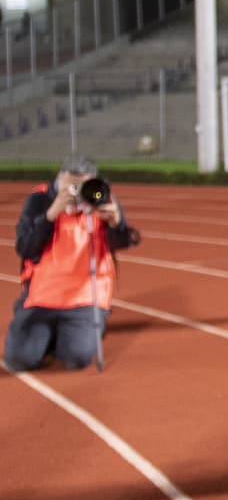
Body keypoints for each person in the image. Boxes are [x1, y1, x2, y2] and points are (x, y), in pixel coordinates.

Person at [4, 155, 134, 371]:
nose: (79, 191)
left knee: (77, 358)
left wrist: (116, 222)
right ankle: (39, 327)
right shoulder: (40, 199)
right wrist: (51, 213)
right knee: (19, 360)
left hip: (85, 295)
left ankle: (88, 326)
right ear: (59, 179)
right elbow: (25, 247)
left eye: (85, 183)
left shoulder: (100, 197)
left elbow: (122, 242)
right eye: (73, 185)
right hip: (43, 295)